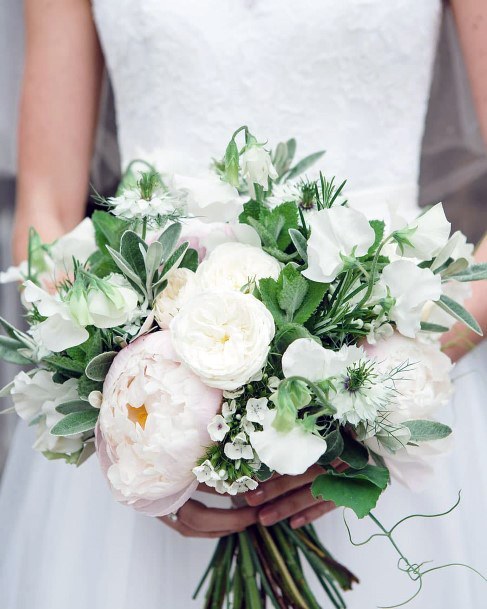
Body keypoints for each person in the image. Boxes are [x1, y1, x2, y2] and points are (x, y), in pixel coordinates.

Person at [0, 1, 486, 607]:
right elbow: (44, 208)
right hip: (152, 404)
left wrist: (368, 403)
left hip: (398, 359)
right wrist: (135, 426)